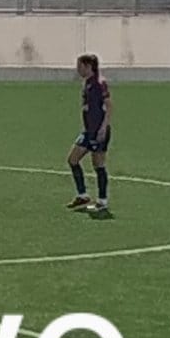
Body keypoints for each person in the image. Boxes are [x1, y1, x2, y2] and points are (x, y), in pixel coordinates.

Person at [68, 53, 113, 218]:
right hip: (88, 131)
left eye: (80, 66)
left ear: (88, 66)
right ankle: (82, 195)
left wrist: (103, 128)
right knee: (72, 159)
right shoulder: (86, 83)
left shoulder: (100, 84)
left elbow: (109, 106)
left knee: (98, 165)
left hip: (98, 131)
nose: (78, 69)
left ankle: (102, 201)